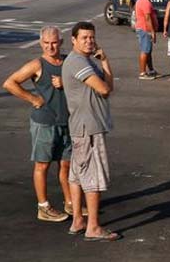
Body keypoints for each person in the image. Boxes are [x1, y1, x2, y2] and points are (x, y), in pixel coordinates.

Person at [2, 26, 76, 222]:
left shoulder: (69, 61)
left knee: (66, 164)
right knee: (42, 165)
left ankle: (71, 203)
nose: (50, 47)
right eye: (46, 43)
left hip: (67, 122)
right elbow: (10, 83)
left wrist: (65, 82)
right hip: (45, 122)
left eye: (54, 43)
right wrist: (33, 99)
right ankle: (43, 207)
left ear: (61, 42)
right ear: (41, 43)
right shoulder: (37, 64)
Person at [64, 22, 120, 241]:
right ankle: (93, 227)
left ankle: (78, 220)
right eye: (84, 38)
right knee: (93, 178)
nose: (89, 41)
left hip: (83, 127)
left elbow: (109, 86)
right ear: (74, 40)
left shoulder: (87, 60)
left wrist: (104, 60)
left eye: (91, 37)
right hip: (89, 128)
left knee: (77, 176)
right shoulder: (77, 62)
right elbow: (104, 89)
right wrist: (103, 74)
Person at [134, 0, 158, 80]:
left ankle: (151, 70)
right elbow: (147, 18)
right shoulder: (145, 3)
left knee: (148, 50)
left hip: (144, 28)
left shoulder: (142, 0)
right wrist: (152, 32)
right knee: (145, 50)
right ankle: (142, 73)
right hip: (144, 29)